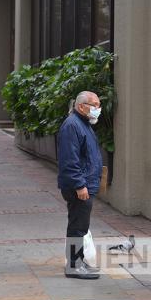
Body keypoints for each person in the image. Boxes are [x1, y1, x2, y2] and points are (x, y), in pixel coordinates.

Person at [57, 91, 103, 279]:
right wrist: (79, 185)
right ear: (81, 106)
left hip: (84, 184)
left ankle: (78, 261)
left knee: (80, 225)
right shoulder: (72, 126)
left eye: (98, 105)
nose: (97, 109)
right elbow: (70, 160)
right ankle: (74, 266)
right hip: (79, 186)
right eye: (94, 105)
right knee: (77, 226)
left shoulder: (83, 124)